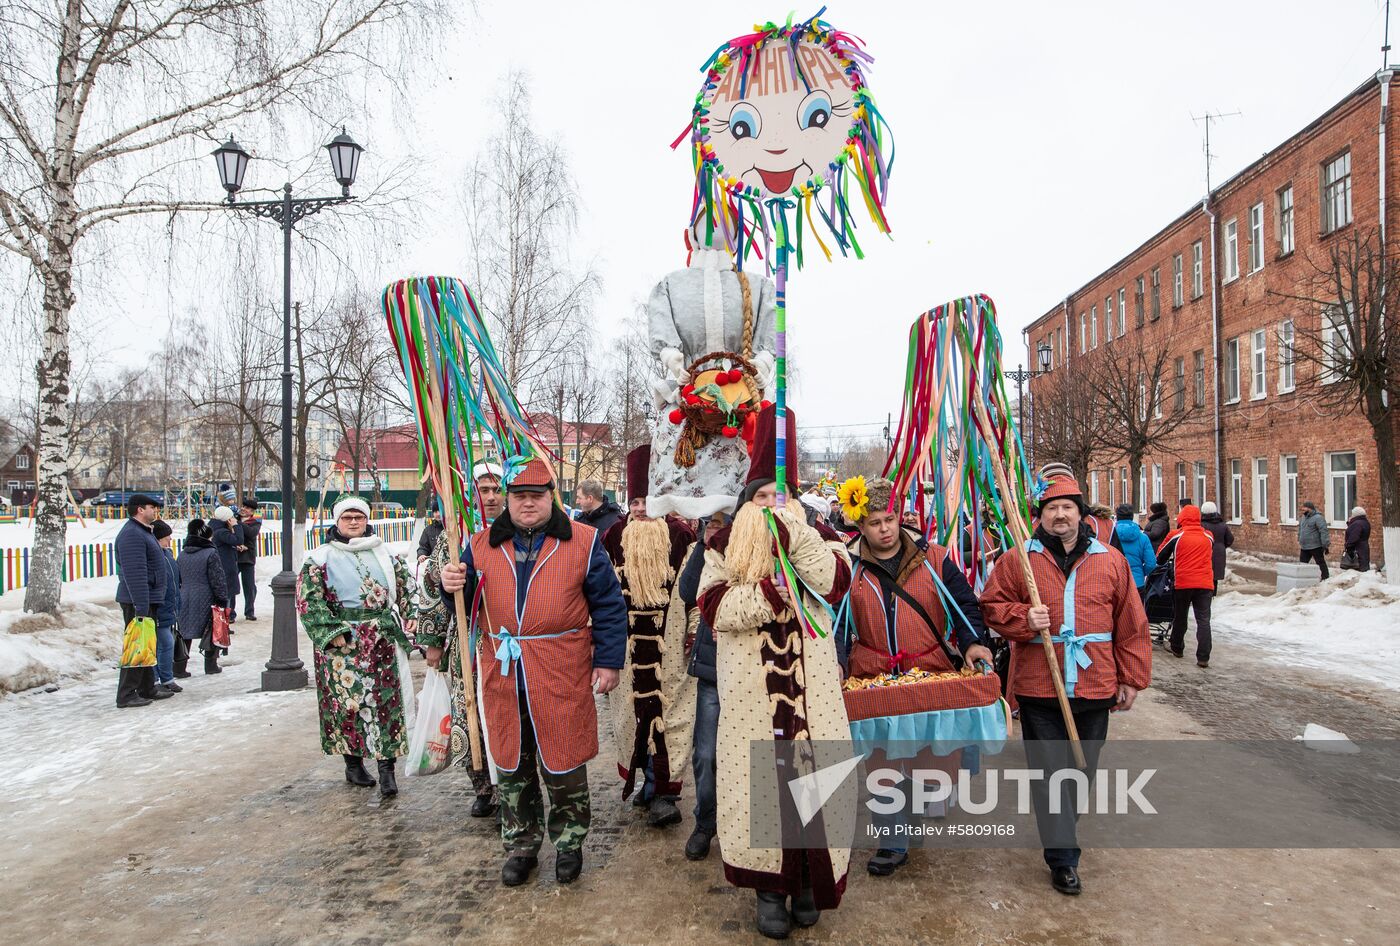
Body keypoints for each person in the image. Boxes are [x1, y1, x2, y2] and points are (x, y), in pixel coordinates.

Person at [696, 405, 852, 940]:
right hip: (751, 698)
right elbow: (714, 608)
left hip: (815, 696)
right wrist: (766, 592)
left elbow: (835, 582)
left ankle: (809, 883)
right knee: (759, 788)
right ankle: (769, 890)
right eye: (761, 499)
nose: (769, 507)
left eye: (777, 499)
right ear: (745, 503)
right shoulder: (721, 547)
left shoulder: (819, 535)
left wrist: (797, 533)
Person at [439, 457, 627, 888]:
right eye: (519, 496)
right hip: (503, 670)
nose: (528, 504)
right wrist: (452, 585)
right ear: (507, 499)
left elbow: (609, 606)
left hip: (560, 665)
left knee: (562, 761)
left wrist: (608, 661)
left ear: (551, 497)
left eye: (536, 496)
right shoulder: (481, 544)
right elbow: (465, 608)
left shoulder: (583, 541)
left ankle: (569, 841)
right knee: (511, 761)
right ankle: (521, 843)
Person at [980, 467, 1152, 896]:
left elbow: (1132, 621)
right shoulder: (1020, 558)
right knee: (1049, 773)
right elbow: (992, 605)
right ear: (1040, 515)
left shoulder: (1109, 560)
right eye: (1052, 508)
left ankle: (1062, 830)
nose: (1060, 515)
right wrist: (1024, 618)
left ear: (1082, 514)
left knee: (1081, 772)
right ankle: (1062, 858)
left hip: (1095, 686)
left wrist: (1132, 677)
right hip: (1040, 686)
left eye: (1068, 507)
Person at [840, 476, 993, 878]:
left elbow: (965, 605)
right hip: (872, 678)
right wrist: (838, 661)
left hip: (930, 675)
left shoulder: (936, 559)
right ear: (861, 526)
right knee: (882, 763)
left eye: (890, 518)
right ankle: (891, 842)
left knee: (932, 759)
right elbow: (836, 621)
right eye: (874, 522)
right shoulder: (848, 567)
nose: (885, 528)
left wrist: (975, 642)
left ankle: (919, 809)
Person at [297, 497, 418, 799]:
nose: (354, 522)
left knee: (385, 704)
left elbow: (406, 585)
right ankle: (353, 764)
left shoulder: (384, 552)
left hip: (382, 641)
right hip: (344, 645)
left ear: (367, 520)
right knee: (348, 705)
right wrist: (330, 631)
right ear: (336, 522)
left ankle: (387, 769)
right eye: (347, 517)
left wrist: (412, 614)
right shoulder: (320, 557)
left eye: (359, 517)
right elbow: (308, 599)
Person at [603, 446, 697, 829]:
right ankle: (647, 783)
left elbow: (697, 593)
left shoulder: (682, 537)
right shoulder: (612, 536)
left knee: (670, 716)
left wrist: (692, 630)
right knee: (632, 716)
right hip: (627, 647)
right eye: (636, 501)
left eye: (649, 501)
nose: (641, 509)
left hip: (670, 649)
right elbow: (600, 594)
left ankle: (664, 793)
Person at [418, 461, 506, 819]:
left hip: (505, 637)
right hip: (464, 640)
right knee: (467, 708)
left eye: (495, 489)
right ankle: (483, 785)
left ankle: (512, 783)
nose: (489, 497)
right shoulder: (454, 537)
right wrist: (434, 640)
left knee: (502, 711)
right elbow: (432, 589)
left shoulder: (519, 531)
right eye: (482, 490)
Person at [677, 509, 730, 861]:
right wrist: (702, 543)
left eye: (720, 523)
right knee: (706, 754)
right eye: (708, 522)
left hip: (756, 671)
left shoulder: (750, 546)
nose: (713, 527)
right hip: (713, 669)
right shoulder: (703, 550)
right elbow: (687, 591)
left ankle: (746, 823)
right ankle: (705, 822)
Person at [114, 495, 172, 707]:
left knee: (146, 644)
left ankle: (147, 688)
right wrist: (141, 605)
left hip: (147, 600)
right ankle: (126, 694)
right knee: (136, 645)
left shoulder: (142, 532)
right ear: (140, 509)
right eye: (151, 507)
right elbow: (135, 573)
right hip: (137, 601)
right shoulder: (132, 535)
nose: (154, 511)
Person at [1157, 504, 1216, 668]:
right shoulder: (1208, 536)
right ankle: (1203, 657)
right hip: (1205, 583)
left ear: (1182, 518)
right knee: (1204, 619)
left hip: (1183, 582)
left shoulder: (1177, 536)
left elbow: (1160, 557)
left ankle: (1177, 647)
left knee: (1180, 616)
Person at [176, 519, 228, 675]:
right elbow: (217, 578)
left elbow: (178, 577)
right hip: (207, 597)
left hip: (185, 596)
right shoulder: (211, 553)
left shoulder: (182, 554)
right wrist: (222, 598)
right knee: (212, 630)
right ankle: (211, 665)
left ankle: (179, 667)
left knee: (184, 633)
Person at [152, 520, 182, 694]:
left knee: (166, 643)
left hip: (169, 607)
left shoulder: (167, 555)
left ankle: (165, 678)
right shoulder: (157, 556)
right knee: (164, 643)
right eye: (166, 536)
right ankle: (159, 678)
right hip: (160, 608)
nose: (170, 539)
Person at [1112, 503, 1157, 596]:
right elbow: (1151, 564)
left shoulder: (1110, 536)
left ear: (1117, 517)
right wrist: (1141, 572)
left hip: (1115, 582)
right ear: (1132, 517)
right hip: (1137, 582)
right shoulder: (1143, 537)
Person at [211, 506, 244, 622]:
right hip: (225, 568)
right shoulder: (221, 532)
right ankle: (224, 621)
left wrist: (233, 547)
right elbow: (239, 539)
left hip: (223, 566)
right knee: (227, 596)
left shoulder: (215, 529)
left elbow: (227, 544)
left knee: (227, 595)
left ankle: (226, 619)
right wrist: (236, 525)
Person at [1198, 501, 1234, 591]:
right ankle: (1213, 593)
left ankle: (1205, 596)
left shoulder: (1201, 525)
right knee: (1215, 577)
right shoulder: (1222, 525)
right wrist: (1221, 545)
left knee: (1204, 575)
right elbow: (1230, 539)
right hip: (1219, 552)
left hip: (1205, 552)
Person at [237, 499, 262, 620]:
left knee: (249, 586)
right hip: (235, 556)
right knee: (231, 585)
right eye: (243, 506)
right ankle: (230, 613)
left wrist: (238, 523)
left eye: (247, 508)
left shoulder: (255, 521)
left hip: (247, 557)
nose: (243, 509)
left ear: (251, 511)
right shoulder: (234, 518)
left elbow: (251, 533)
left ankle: (249, 611)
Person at [1298, 501, 1331, 580]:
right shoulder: (1303, 518)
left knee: (1320, 562)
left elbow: (1324, 531)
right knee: (1302, 564)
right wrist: (1299, 538)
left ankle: (1325, 578)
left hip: (1315, 545)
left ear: (1309, 508)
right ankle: (1302, 579)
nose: (1302, 509)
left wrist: (1325, 545)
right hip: (1305, 546)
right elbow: (1300, 529)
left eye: (1304, 508)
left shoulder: (1318, 518)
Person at [1344, 507, 1371, 572]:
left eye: (1352, 514)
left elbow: (1354, 537)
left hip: (1357, 550)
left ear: (1355, 514)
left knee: (1358, 569)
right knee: (1364, 568)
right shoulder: (1365, 522)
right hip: (1364, 549)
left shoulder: (1357, 524)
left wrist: (1347, 546)